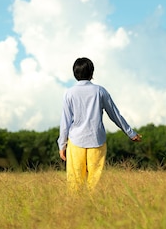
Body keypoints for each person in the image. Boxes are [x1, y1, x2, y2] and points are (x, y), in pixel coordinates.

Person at [58, 57, 142, 191]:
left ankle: (75, 209)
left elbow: (65, 122)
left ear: (75, 74)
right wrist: (130, 133)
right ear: (92, 73)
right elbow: (115, 115)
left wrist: (62, 144)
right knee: (95, 183)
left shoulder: (69, 93)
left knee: (75, 183)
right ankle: (93, 208)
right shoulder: (100, 91)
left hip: (75, 142)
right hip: (97, 141)